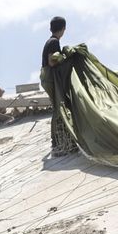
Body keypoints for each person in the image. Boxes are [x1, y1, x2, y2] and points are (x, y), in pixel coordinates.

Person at [42, 15, 78, 156]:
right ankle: (56, 143)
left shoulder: (50, 41)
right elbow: (51, 61)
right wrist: (65, 58)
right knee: (58, 108)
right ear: (63, 29)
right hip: (50, 79)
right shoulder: (54, 42)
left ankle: (58, 141)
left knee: (58, 108)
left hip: (47, 78)